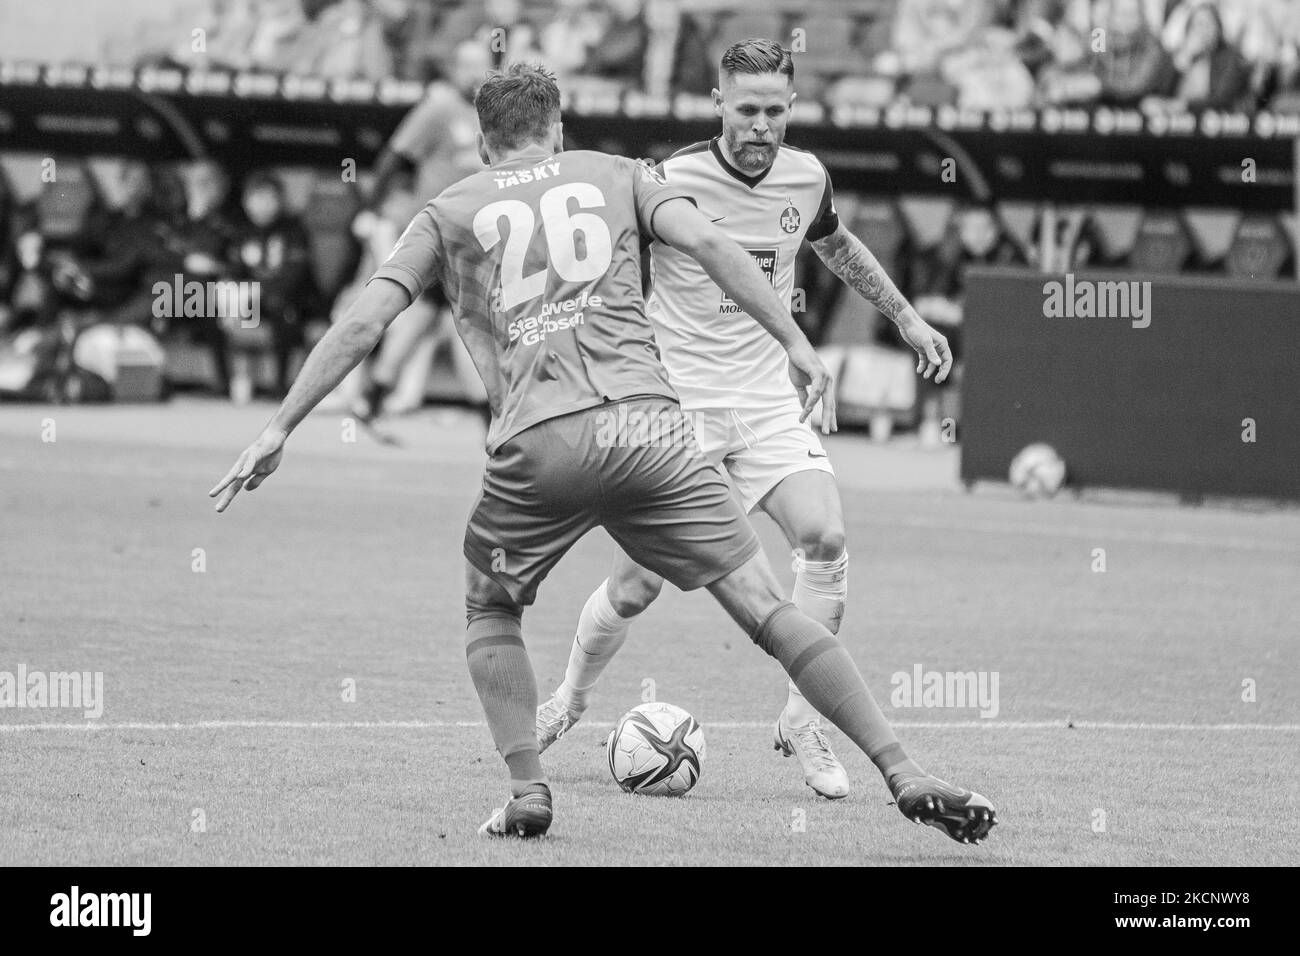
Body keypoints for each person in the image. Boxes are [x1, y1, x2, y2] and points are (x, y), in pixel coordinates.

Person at [210, 63, 997, 844]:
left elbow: (362, 323)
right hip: (650, 431)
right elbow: (713, 243)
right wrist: (796, 341)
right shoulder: (621, 174)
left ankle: (528, 791)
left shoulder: (447, 208)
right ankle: (904, 770)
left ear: (483, 147)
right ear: (558, 130)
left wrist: (280, 426)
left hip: (537, 443)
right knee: (767, 606)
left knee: (491, 607)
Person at [533, 38, 983, 822]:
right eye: (747, 110)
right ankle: (569, 698)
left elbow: (835, 244)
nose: (762, 126)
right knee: (638, 586)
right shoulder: (669, 180)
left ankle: (803, 720)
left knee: (827, 539)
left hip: (768, 400)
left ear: (792, 107)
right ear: (717, 102)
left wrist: (907, 318)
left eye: (776, 111)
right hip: (678, 410)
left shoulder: (807, 177)